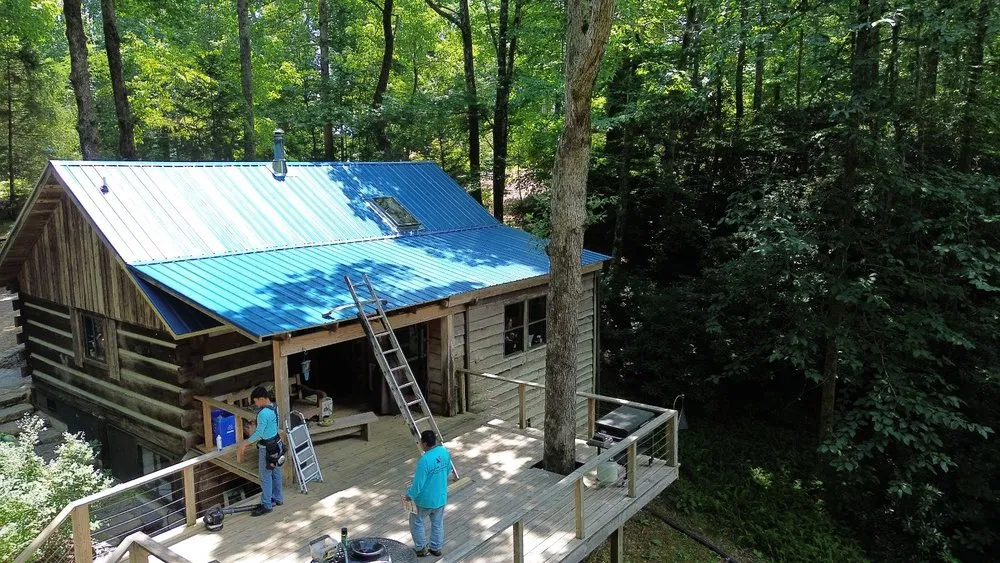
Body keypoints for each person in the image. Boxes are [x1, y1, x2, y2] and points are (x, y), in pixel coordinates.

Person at [404, 430, 452, 557]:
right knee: (437, 523)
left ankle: (421, 548)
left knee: (417, 521)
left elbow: (418, 484)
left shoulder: (425, 460)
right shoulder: (444, 452)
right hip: (441, 497)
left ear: (424, 443)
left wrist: (409, 495)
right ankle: (436, 548)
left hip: (424, 500)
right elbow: (448, 470)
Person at [238, 386, 284, 516]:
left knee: (265, 476)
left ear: (263, 399)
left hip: (266, 448)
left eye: (256, 401)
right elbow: (273, 424)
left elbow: (259, 433)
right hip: (276, 444)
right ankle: (278, 498)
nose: (256, 404)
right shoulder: (275, 407)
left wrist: (245, 443)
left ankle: (266, 504)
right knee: (276, 472)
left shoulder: (263, 413)